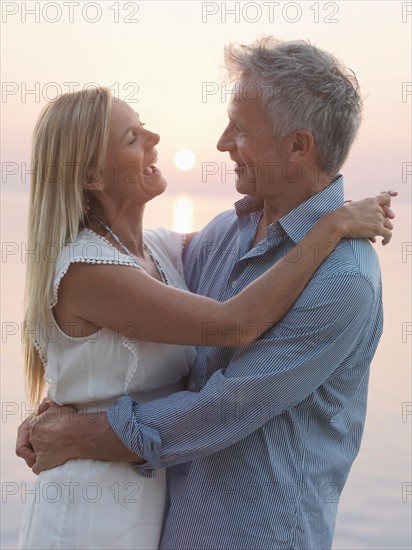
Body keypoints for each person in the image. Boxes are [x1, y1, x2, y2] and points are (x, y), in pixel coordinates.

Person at [16, 39, 396, 550]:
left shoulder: (343, 280)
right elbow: (153, 318)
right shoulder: (221, 236)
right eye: (132, 137)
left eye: (240, 130)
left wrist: (78, 432)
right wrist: (63, 405)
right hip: (125, 521)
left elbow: (219, 409)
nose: (221, 143)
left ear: (297, 147)